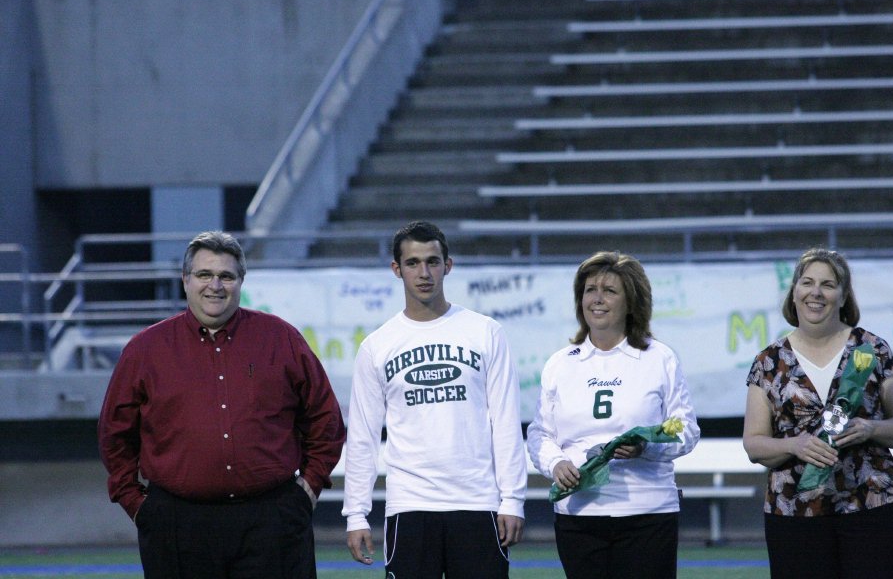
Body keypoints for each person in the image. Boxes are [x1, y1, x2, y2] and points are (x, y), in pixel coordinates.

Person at [98, 230, 346, 579]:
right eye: (204, 274)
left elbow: (326, 419)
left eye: (226, 276)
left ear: (240, 281)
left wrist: (308, 488)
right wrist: (137, 504)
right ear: (185, 280)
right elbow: (114, 435)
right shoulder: (145, 350)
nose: (215, 285)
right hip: (177, 527)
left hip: (272, 522)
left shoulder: (281, 338)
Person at [341, 220, 527, 578]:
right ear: (397, 269)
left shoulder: (485, 332)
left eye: (432, 261)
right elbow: (362, 436)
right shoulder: (377, 346)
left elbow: (504, 421)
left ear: (448, 265)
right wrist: (356, 513)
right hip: (409, 507)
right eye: (412, 263)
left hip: (478, 504)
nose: (423, 272)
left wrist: (513, 499)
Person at [526, 251, 699, 579]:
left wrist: (646, 446)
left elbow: (686, 429)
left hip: (648, 513)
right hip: (578, 515)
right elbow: (539, 433)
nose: (597, 299)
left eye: (609, 291)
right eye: (590, 290)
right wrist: (555, 464)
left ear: (631, 301)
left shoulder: (659, 358)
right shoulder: (561, 363)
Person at [742, 247, 893, 579]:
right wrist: (792, 445)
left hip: (871, 505)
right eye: (807, 283)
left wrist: (870, 428)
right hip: (793, 512)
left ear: (843, 297)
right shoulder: (769, 361)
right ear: (794, 292)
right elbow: (754, 444)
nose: (816, 292)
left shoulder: (874, 350)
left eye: (828, 284)